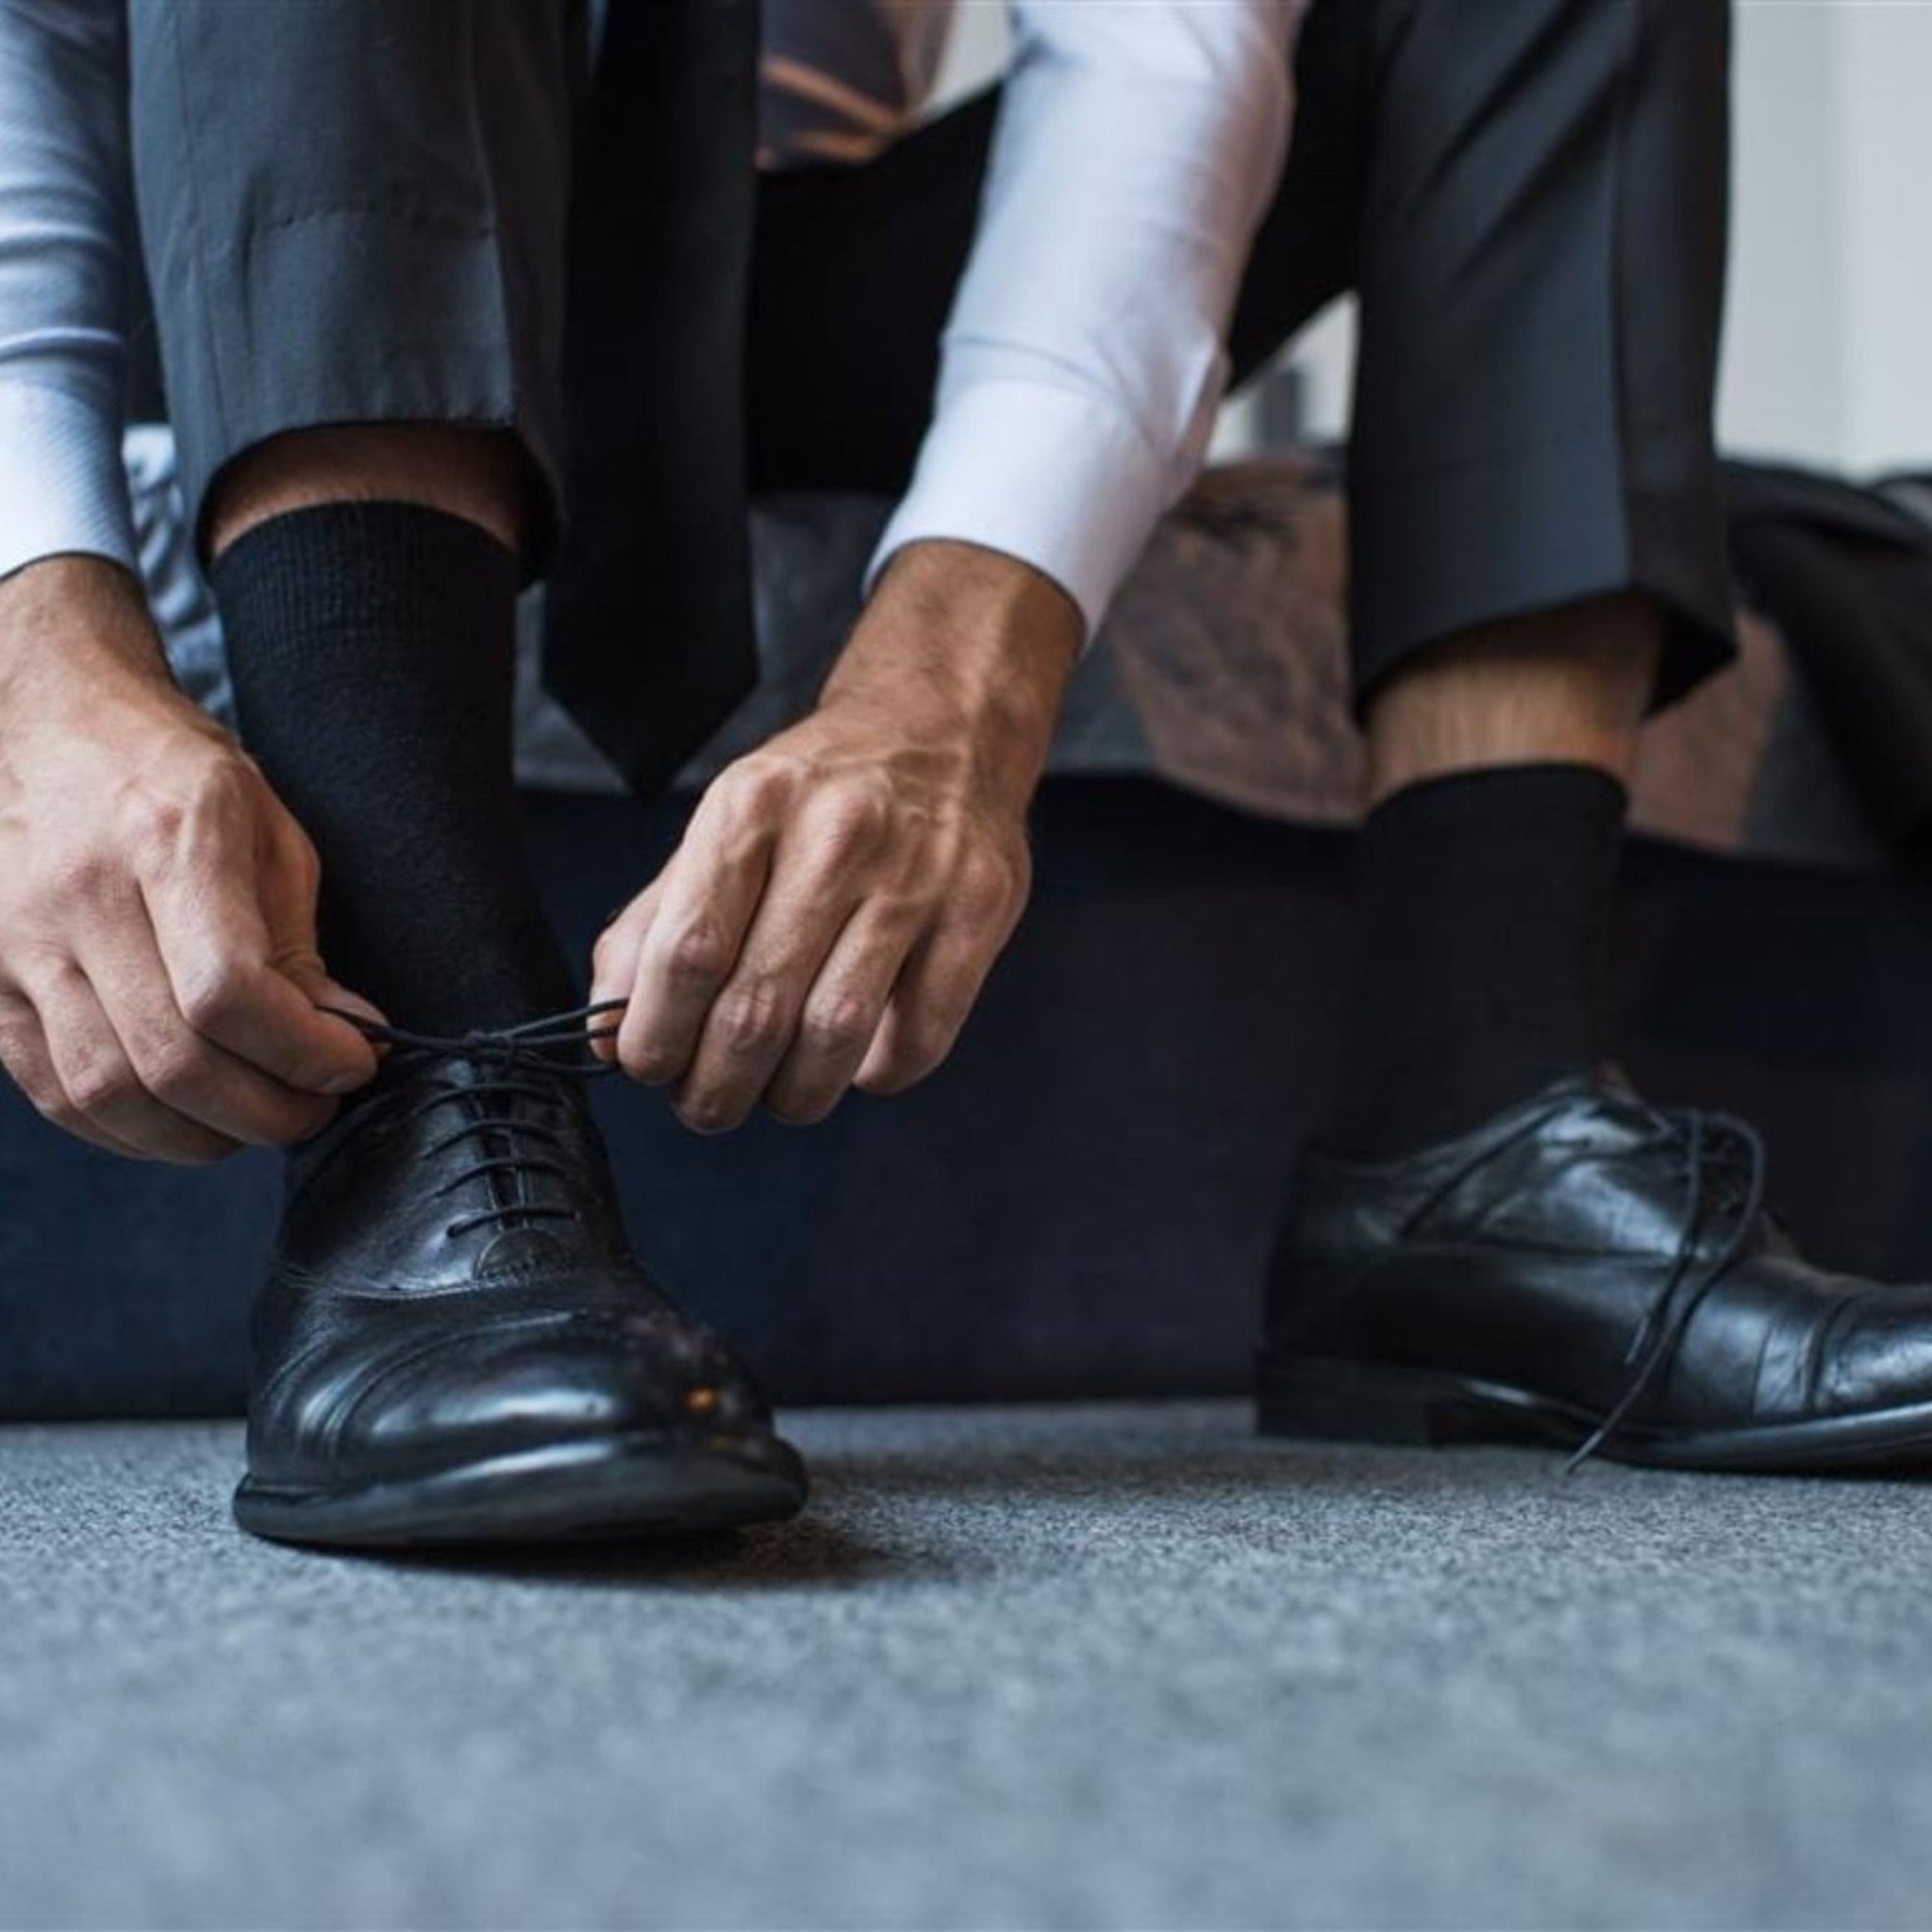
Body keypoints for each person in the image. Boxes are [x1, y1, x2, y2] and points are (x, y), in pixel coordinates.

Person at [4, 1, 1928, 1551]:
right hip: (257, 208)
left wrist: (959, 676)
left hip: (790, 266)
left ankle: (1470, 1146)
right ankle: (426, 1130)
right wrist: (39, 629)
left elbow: (1160, 47)